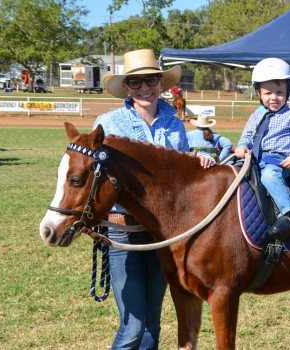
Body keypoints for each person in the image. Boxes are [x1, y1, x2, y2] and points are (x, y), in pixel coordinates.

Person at [95, 49, 214, 350]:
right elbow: (95, 174)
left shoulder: (174, 123)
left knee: (152, 323)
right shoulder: (108, 124)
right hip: (124, 228)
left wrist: (195, 160)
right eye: (136, 82)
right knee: (133, 326)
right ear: (126, 87)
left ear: (162, 83)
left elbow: (180, 171)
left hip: (163, 232)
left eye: (151, 80)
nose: (145, 88)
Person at [234, 57, 290, 237]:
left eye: (279, 92)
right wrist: (242, 146)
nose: (274, 98)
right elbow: (247, 135)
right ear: (259, 93)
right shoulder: (256, 114)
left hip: (278, 162)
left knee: (269, 176)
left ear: (287, 92)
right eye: (268, 93)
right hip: (252, 161)